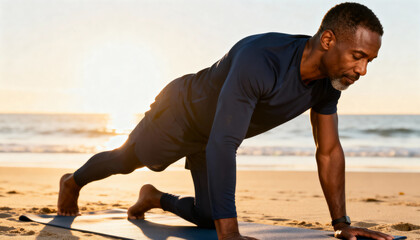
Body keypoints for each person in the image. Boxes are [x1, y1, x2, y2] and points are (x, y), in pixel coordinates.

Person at [57, 2, 394, 240]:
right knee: (126, 159)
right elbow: (224, 142)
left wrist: (341, 222)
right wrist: (230, 234)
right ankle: (73, 182)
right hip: (180, 114)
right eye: (358, 56)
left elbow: (329, 151)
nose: (362, 70)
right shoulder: (260, 60)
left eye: (369, 61)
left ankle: (153, 197)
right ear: (328, 40)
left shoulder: (330, 84)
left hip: (214, 135)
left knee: (208, 217)